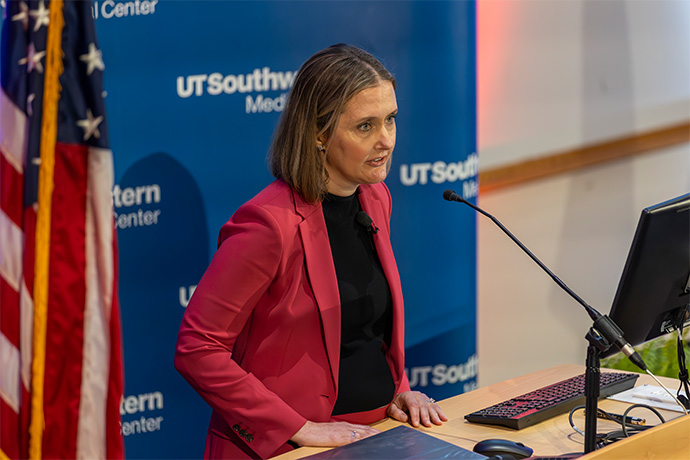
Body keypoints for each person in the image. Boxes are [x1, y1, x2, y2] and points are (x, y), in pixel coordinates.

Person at [174, 43, 447, 460]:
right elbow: (197, 348)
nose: (386, 141)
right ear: (319, 135)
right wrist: (298, 429)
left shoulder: (376, 199)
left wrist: (399, 391)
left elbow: (366, 332)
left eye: (391, 120)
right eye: (365, 127)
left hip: (377, 435)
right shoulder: (268, 224)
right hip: (288, 449)